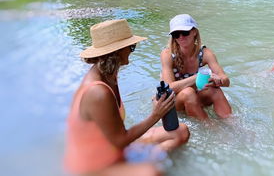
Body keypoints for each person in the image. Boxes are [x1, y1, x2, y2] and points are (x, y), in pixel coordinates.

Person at [64, 19, 189, 175]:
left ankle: (147, 160)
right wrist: (156, 114)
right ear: (116, 52)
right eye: (131, 47)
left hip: (113, 149)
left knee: (181, 131)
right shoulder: (98, 92)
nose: (132, 51)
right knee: (151, 172)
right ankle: (141, 166)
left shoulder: (109, 75)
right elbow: (120, 140)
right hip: (94, 166)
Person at [160, 14, 232, 120]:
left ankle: (234, 124)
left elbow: (226, 81)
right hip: (176, 102)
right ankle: (212, 128)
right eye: (176, 34)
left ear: (194, 32)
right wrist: (196, 77)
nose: (181, 37)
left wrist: (218, 80)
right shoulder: (167, 54)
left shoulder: (206, 53)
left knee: (215, 91)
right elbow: (169, 88)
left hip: (196, 98)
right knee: (188, 92)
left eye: (185, 32)